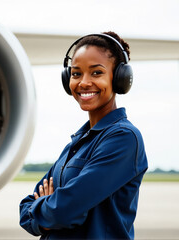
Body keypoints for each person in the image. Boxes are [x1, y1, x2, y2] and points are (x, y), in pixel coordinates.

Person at [19, 31, 148, 239]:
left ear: (119, 78)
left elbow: (65, 210)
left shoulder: (123, 138)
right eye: (76, 74)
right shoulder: (78, 142)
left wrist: (49, 209)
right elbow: (25, 208)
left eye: (96, 73)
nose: (84, 82)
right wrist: (48, 212)